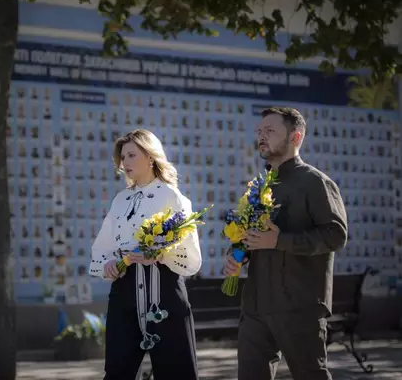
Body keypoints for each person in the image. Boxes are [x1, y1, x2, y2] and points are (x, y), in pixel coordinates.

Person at [225, 107, 348, 380]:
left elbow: (335, 235)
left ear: (296, 138)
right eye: (259, 131)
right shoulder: (259, 186)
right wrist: (237, 255)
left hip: (300, 304)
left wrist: (280, 240)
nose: (261, 137)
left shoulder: (315, 182)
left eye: (270, 131)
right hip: (255, 305)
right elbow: (250, 236)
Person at [89, 129, 202, 380]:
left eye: (131, 155)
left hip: (164, 292)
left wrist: (160, 255)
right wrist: (108, 264)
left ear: (151, 157)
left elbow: (191, 257)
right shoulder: (120, 199)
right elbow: (103, 246)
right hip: (124, 293)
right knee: (118, 371)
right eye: (122, 157)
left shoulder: (172, 196)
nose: (124, 162)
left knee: (176, 372)